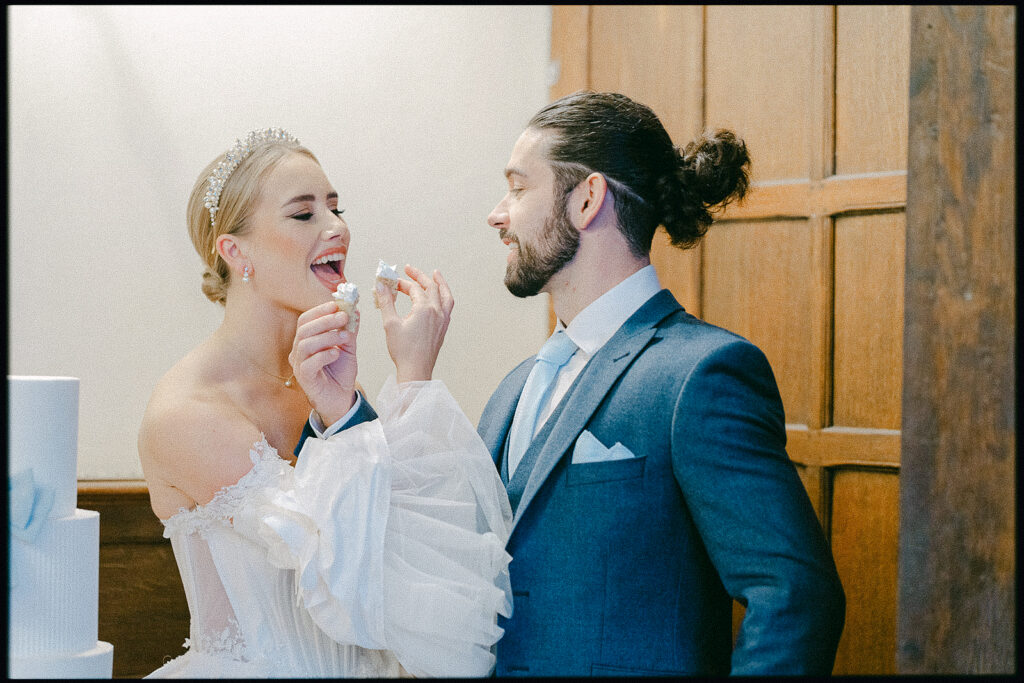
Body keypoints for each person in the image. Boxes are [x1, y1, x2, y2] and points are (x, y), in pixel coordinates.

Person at [477, 91, 845, 676]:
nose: (499, 214)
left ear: (587, 199)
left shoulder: (704, 374)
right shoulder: (513, 391)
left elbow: (795, 596)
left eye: (519, 188)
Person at [137, 128, 513, 678]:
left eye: (336, 209)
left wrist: (411, 376)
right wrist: (363, 408)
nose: (338, 228)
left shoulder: (321, 383)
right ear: (235, 251)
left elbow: (404, 556)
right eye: (304, 214)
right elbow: (344, 582)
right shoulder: (190, 413)